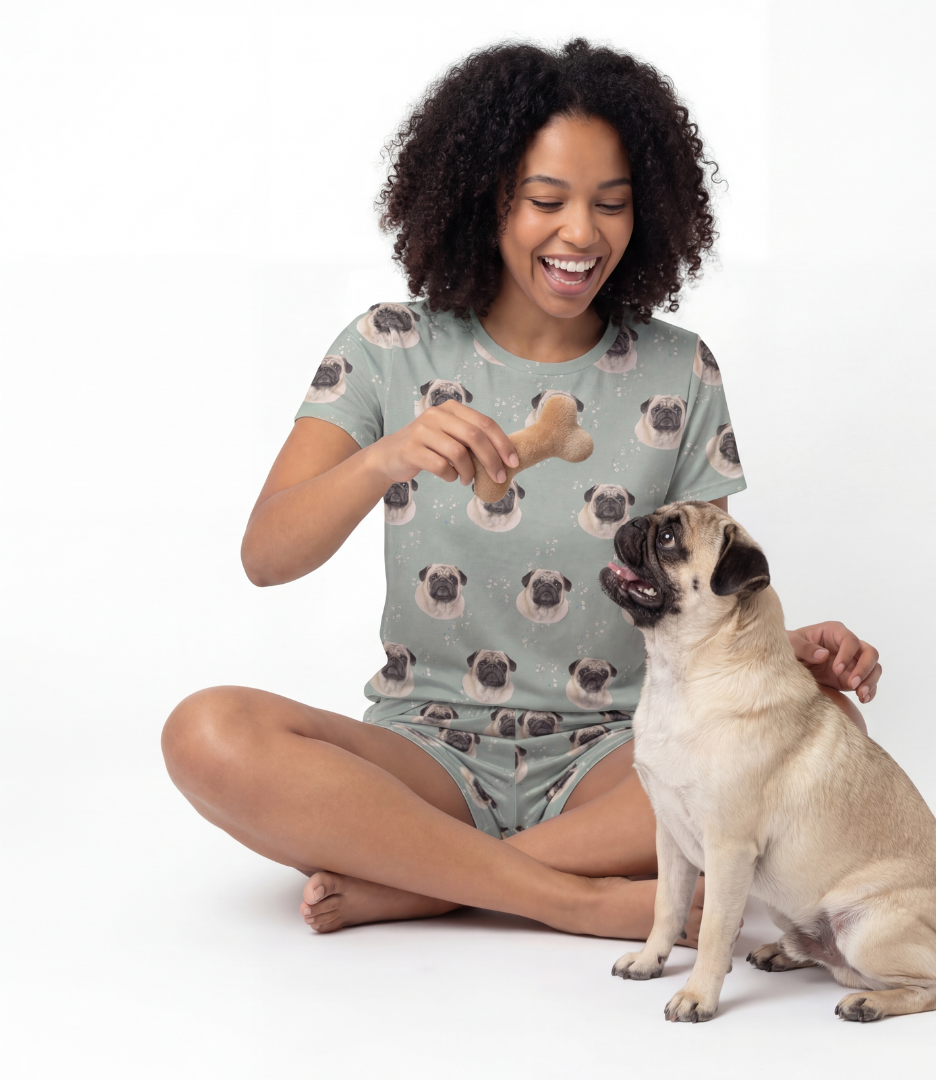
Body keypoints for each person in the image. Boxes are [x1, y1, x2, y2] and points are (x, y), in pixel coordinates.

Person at [161, 40, 881, 944]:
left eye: (611, 205)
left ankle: (430, 880)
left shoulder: (680, 369)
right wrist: (385, 458)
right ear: (483, 197)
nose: (581, 234)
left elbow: (701, 591)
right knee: (205, 729)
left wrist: (782, 651)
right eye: (547, 201)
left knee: (821, 722)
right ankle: (570, 896)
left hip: (620, 751)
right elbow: (266, 556)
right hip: (422, 749)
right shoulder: (387, 346)